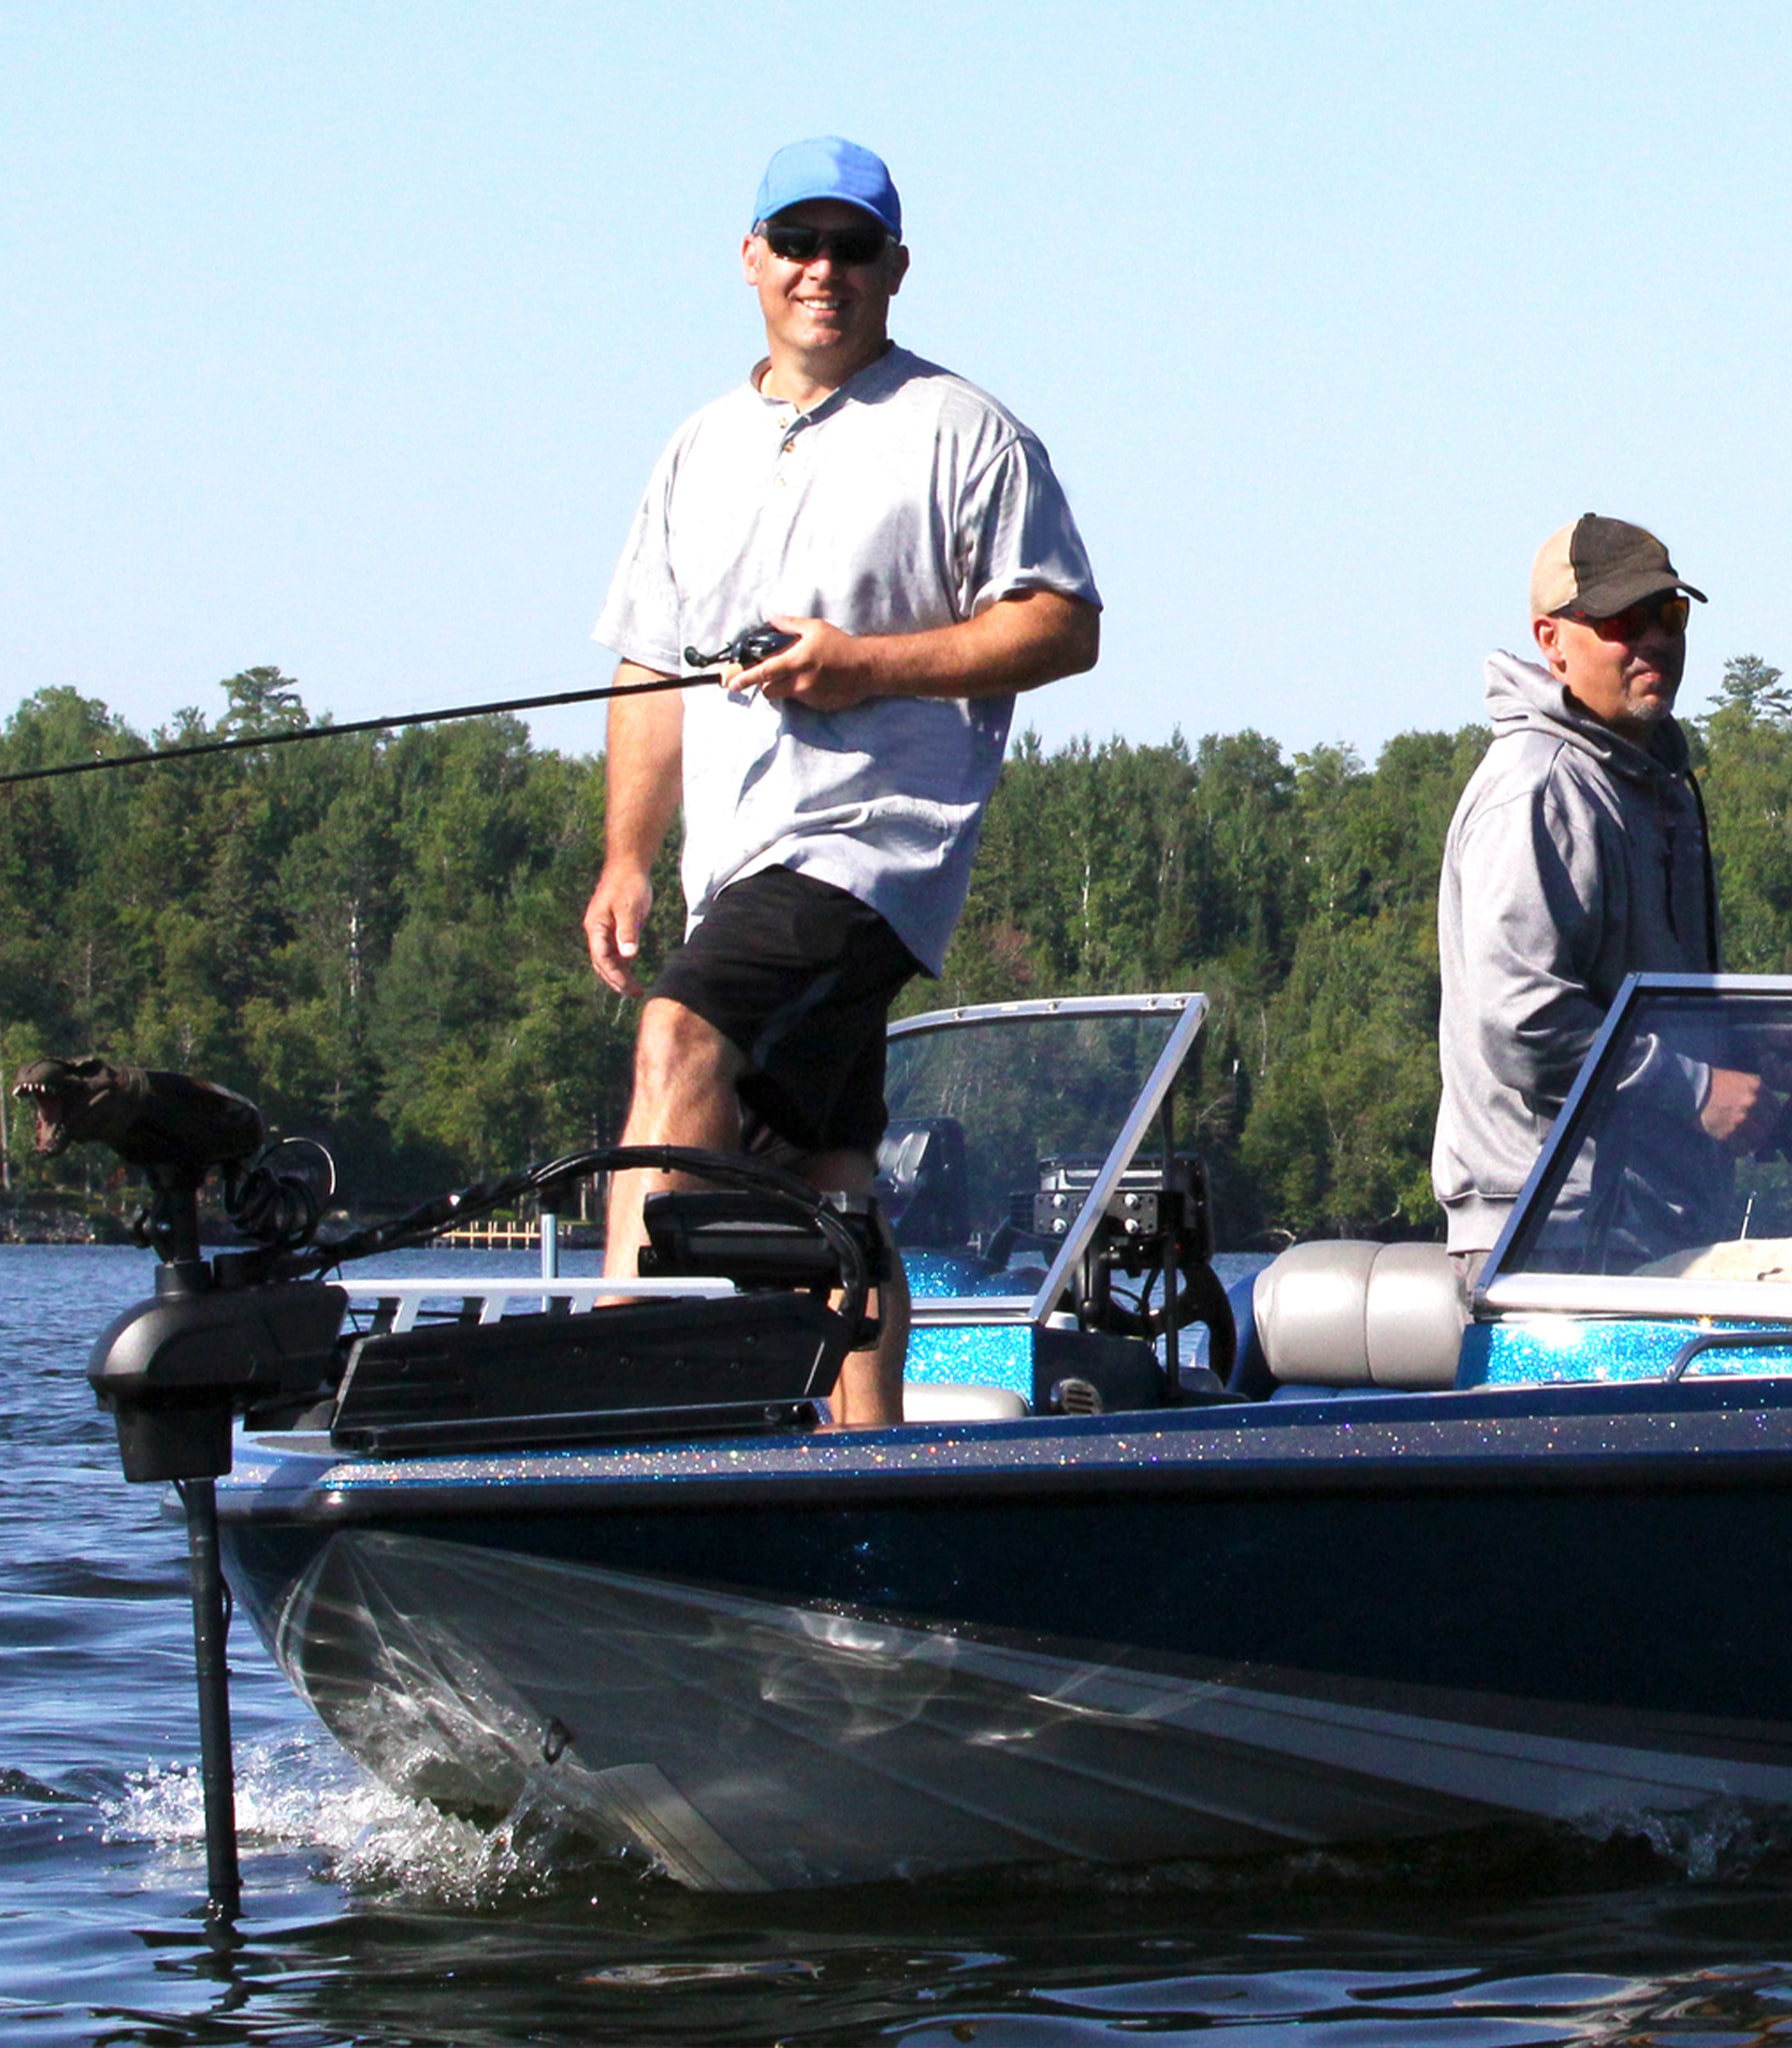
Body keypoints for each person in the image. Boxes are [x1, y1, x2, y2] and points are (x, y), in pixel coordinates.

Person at [583, 137, 1101, 1424]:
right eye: (799, 244)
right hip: (737, 858)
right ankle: (871, 1455)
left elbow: (1062, 625)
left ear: (896, 268)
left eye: (853, 248)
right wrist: (628, 856)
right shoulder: (698, 446)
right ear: (751, 260)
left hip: (874, 848)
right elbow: (652, 666)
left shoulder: (964, 431)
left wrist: (862, 666)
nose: (825, 271)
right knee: (828, 1165)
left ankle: (609, 1392)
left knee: (677, 1035)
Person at [1432, 513, 1777, 1275]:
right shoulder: (1539, 786)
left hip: (1650, 1227)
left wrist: (1755, 1059)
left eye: (1669, 615)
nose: (1653, 639)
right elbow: (1520, 1021)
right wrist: (1695, 1090)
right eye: (1621, 620)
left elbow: (1662, 1000)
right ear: (1552, 641)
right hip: (1548, 1235)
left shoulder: (1658, 786)